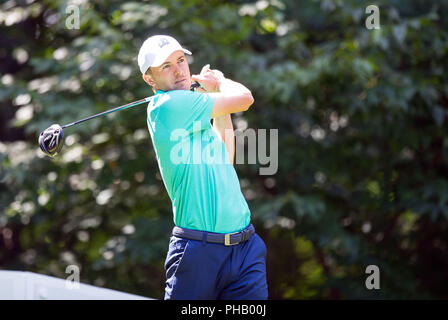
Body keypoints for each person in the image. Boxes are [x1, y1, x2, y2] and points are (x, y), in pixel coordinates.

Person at [137, 34, 268, 300]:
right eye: (166, 66)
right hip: (198, 250)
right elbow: (245, 98)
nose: (178, 70)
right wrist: (220, 82)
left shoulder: (193, 110)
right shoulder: (170, 106)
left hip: (244, 247)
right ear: (150, 80)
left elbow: (225, 156)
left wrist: (215, 95)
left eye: (181, 60)